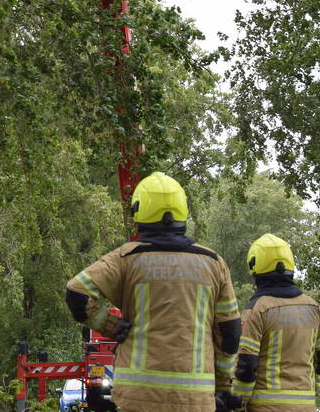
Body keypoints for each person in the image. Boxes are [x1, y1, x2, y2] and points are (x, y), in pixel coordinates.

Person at [65, 173, 242, 412]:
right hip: (195, 400)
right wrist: (222, 385)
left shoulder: (125, 258)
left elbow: (77, 292)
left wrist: (111, 326)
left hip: (137, 397)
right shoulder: (213, 263)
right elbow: (229, 333)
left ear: (139, 211)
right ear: (182, 210)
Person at [232, 234, 320, 411]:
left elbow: (246, 366)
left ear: (255, 266)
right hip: (306, 406)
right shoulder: (314, 308)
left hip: (267, 407)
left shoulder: (258, 309)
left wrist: (237, 404)